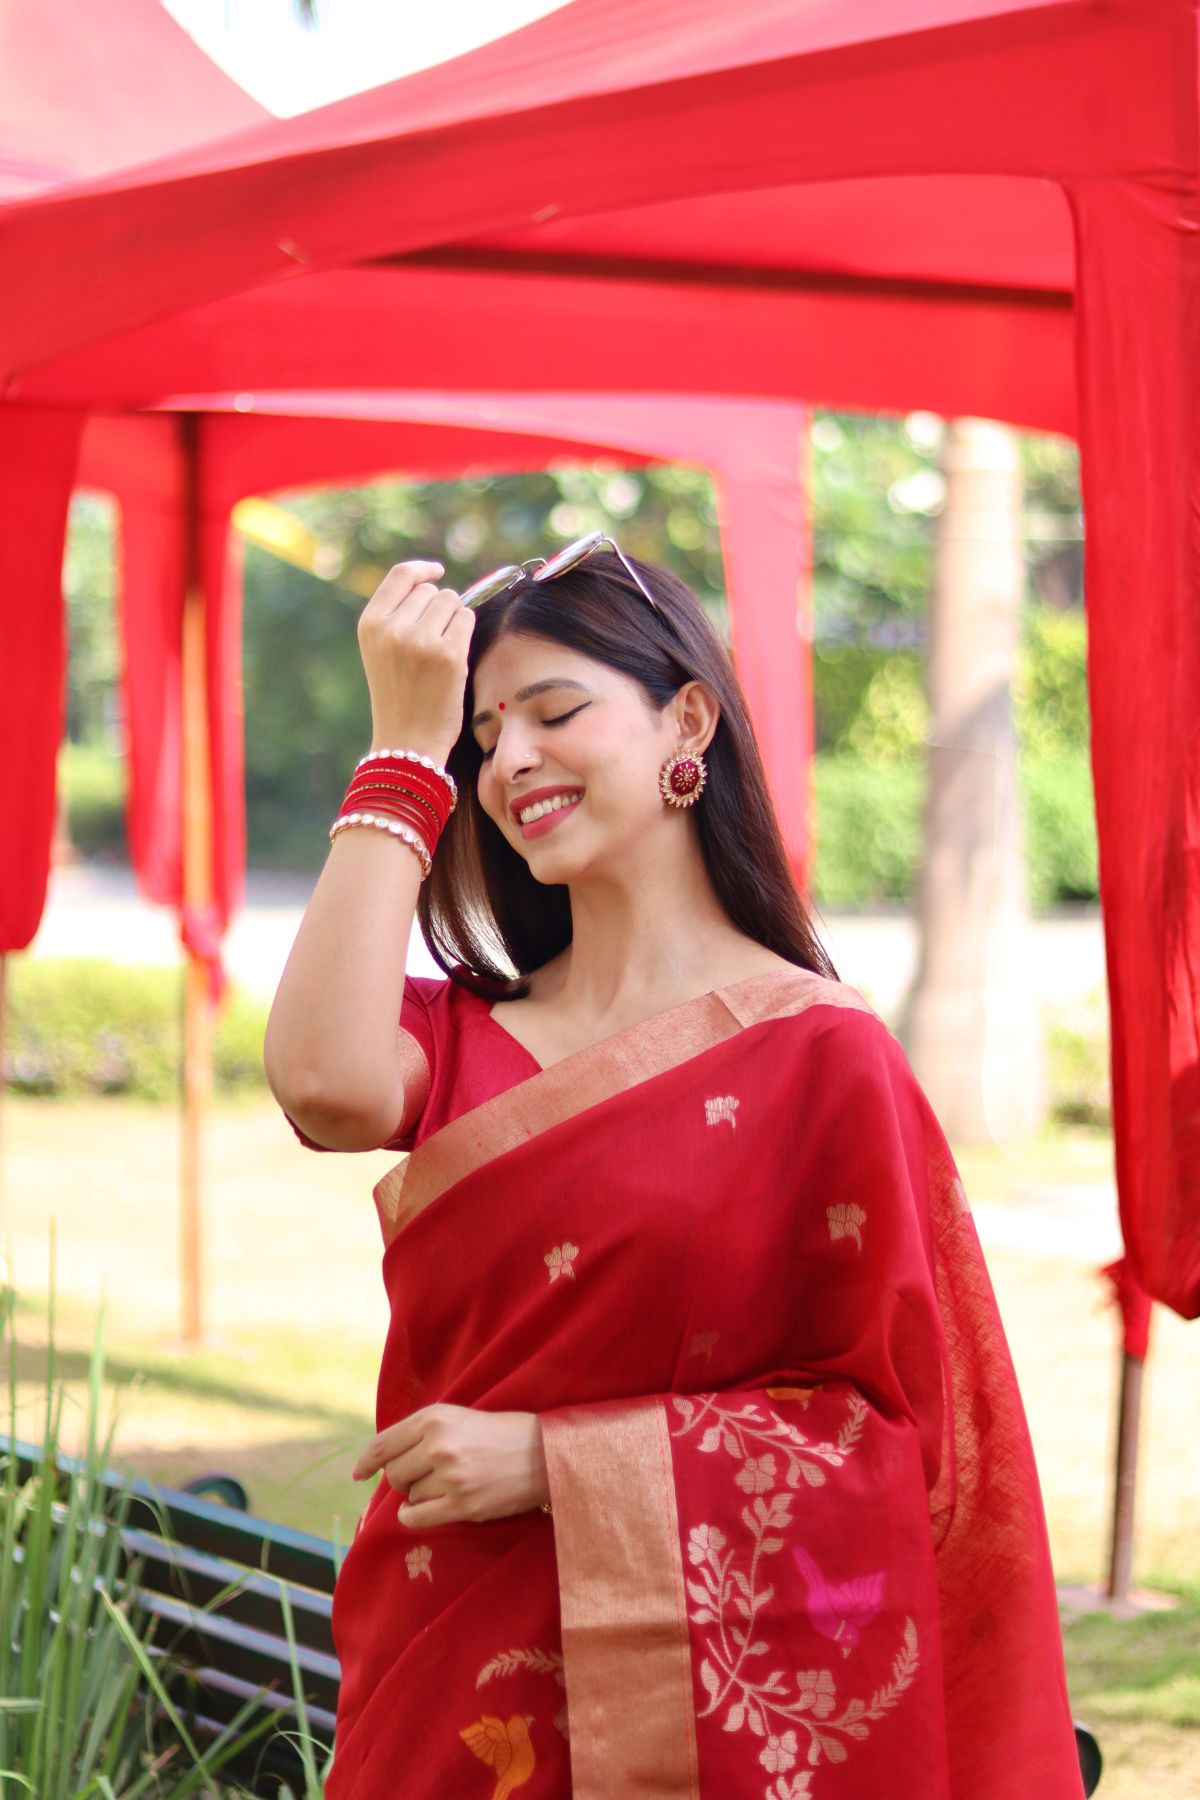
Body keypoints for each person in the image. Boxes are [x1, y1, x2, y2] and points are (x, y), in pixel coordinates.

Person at [264, 540, 1085, 1800]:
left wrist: (557, 1462)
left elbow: (893, 1443)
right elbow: (320, 1082)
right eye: (484, 737)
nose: (514, 760)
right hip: (446, 1674)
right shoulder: (462, 1035)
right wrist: (402, 752)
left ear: (686, 718)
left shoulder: (821, 1056)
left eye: (555, 710)